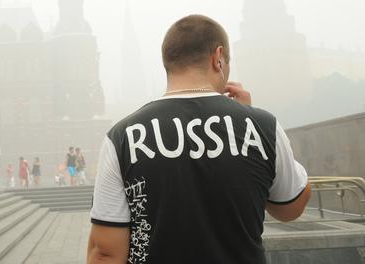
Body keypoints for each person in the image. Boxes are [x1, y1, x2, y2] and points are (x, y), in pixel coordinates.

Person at [87, 15, 311, 264]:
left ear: (167, 62)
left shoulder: (122, 137)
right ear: (218, 58)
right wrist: (249, 119)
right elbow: (291, 207)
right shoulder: (262, 126)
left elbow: (106, 254)